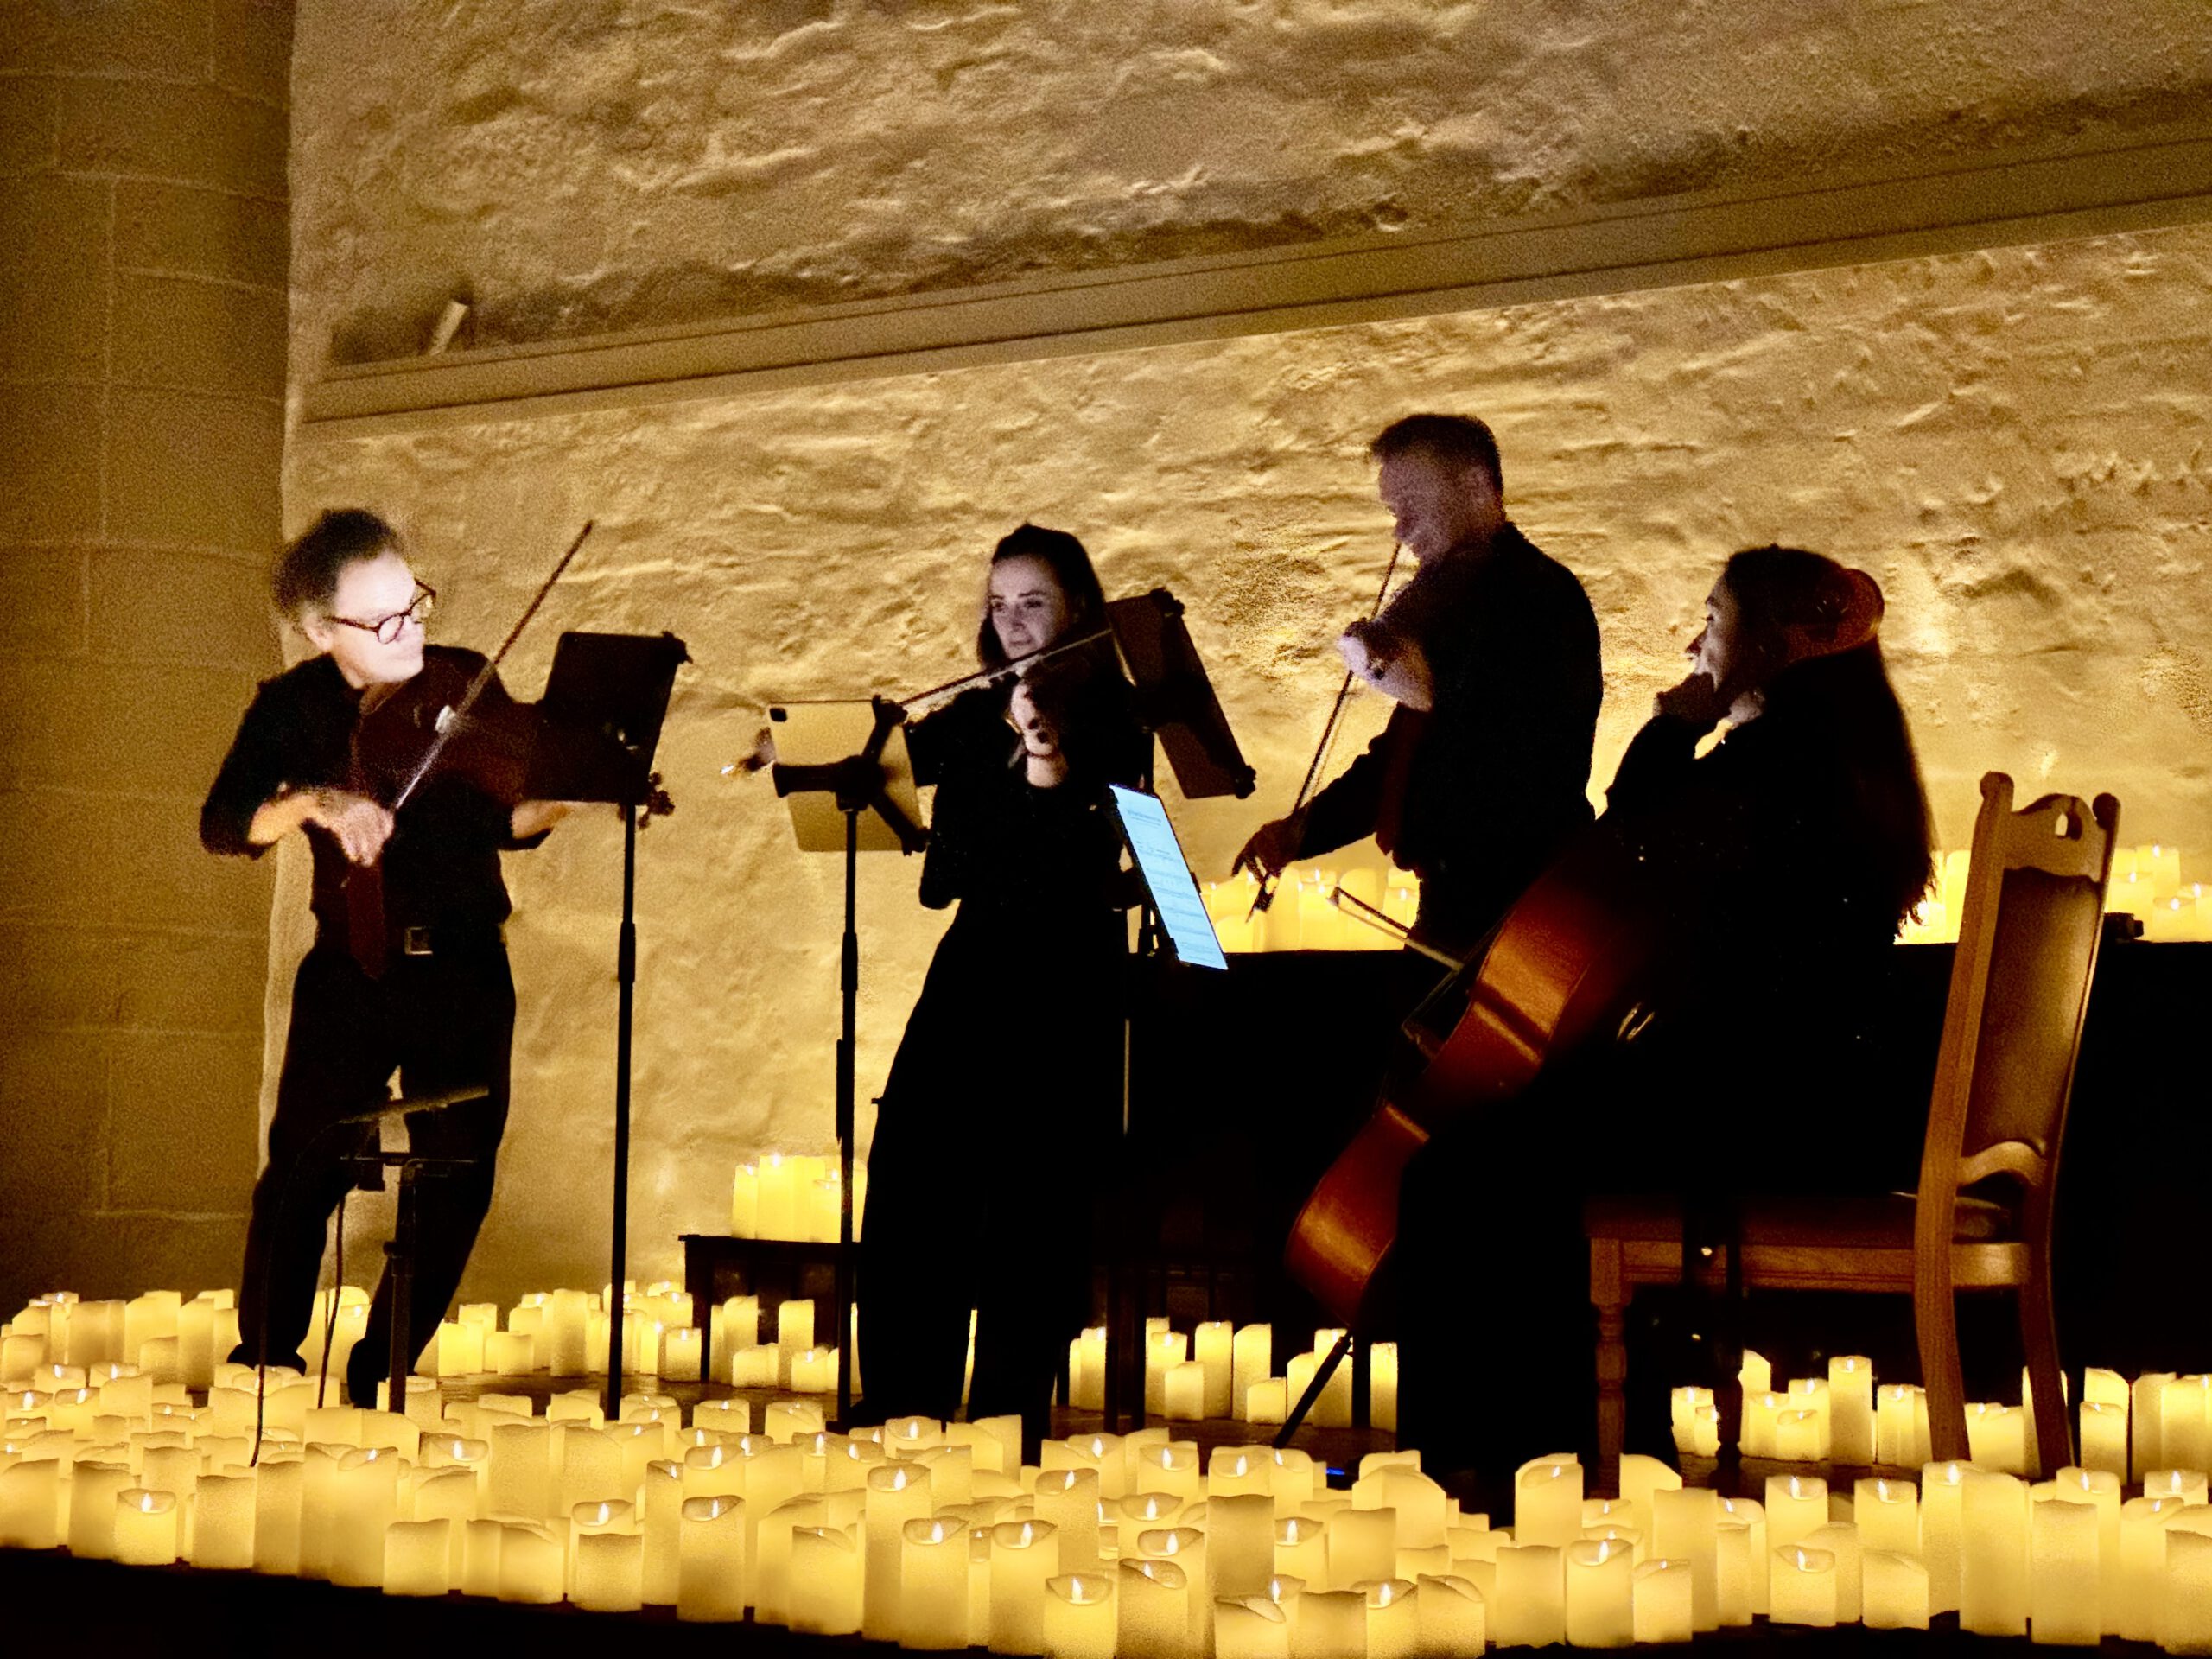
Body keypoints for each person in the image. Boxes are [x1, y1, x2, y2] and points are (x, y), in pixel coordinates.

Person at [1391, 544, 1934, 1498]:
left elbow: (1632, 838)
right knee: (1517, 1149)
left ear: (1768, 644)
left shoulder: (1773, 765)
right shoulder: (1831, 758)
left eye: (1714, 622)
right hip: (1812, 1097)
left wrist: (1668, 727)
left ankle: (1497, 1462)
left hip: (1767, 1115)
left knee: (1463, 1169)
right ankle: (1578, 1442)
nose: (1695, 642)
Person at [201, 508, 571, 1407]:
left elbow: (507, 818)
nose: (413, 632)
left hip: (466, 970)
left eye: (415, 605)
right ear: (322, 631)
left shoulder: (464, 680)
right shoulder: (289, 711)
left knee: (459, 1175)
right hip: (352, 970)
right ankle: (267, 1366)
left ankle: (383, 1372)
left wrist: (583, 788)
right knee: (302, 1169)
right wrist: (317, 801)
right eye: (384, 621)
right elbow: (226, 826)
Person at [858, 524, 1147, 1458]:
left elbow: (1082, 836)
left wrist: (1044, 752)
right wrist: (836, 743)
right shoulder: (979, 707)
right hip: (977, 959)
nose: (1013, 621)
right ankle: (905, 1396)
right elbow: (897, 768)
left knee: (1031, 1193)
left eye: (1033, 603)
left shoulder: (1111, 710)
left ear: (1074, 609)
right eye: (999, 604)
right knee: (911, 1164)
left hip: (1063, 971)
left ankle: (1004, 1418)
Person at [1236, 414, 1602, 959]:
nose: (1400, 531)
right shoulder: (1449, 603)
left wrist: (1422, 689)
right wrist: (1301, 832)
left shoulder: (1543, 598)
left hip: (1519, 908)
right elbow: (1403, 757)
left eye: (1413, 503)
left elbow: (1514, 755)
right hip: (1456, 903)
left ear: (1478, 485)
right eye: (1393, 510)